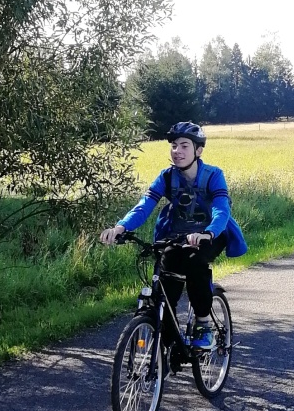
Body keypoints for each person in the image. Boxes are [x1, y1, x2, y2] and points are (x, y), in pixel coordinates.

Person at [100, 121, 247, 349]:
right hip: (177, 235)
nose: (177, 151)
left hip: (211, 234)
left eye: (184, 146)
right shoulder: (167, 177)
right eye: (174, 146)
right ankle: (168, 346)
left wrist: (208, 232)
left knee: (195, 263)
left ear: (198, 150)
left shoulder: (213, 175)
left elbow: (221, 209)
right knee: (165, 283)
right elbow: (144, 205)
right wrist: (120, 227)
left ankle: (203, 325)